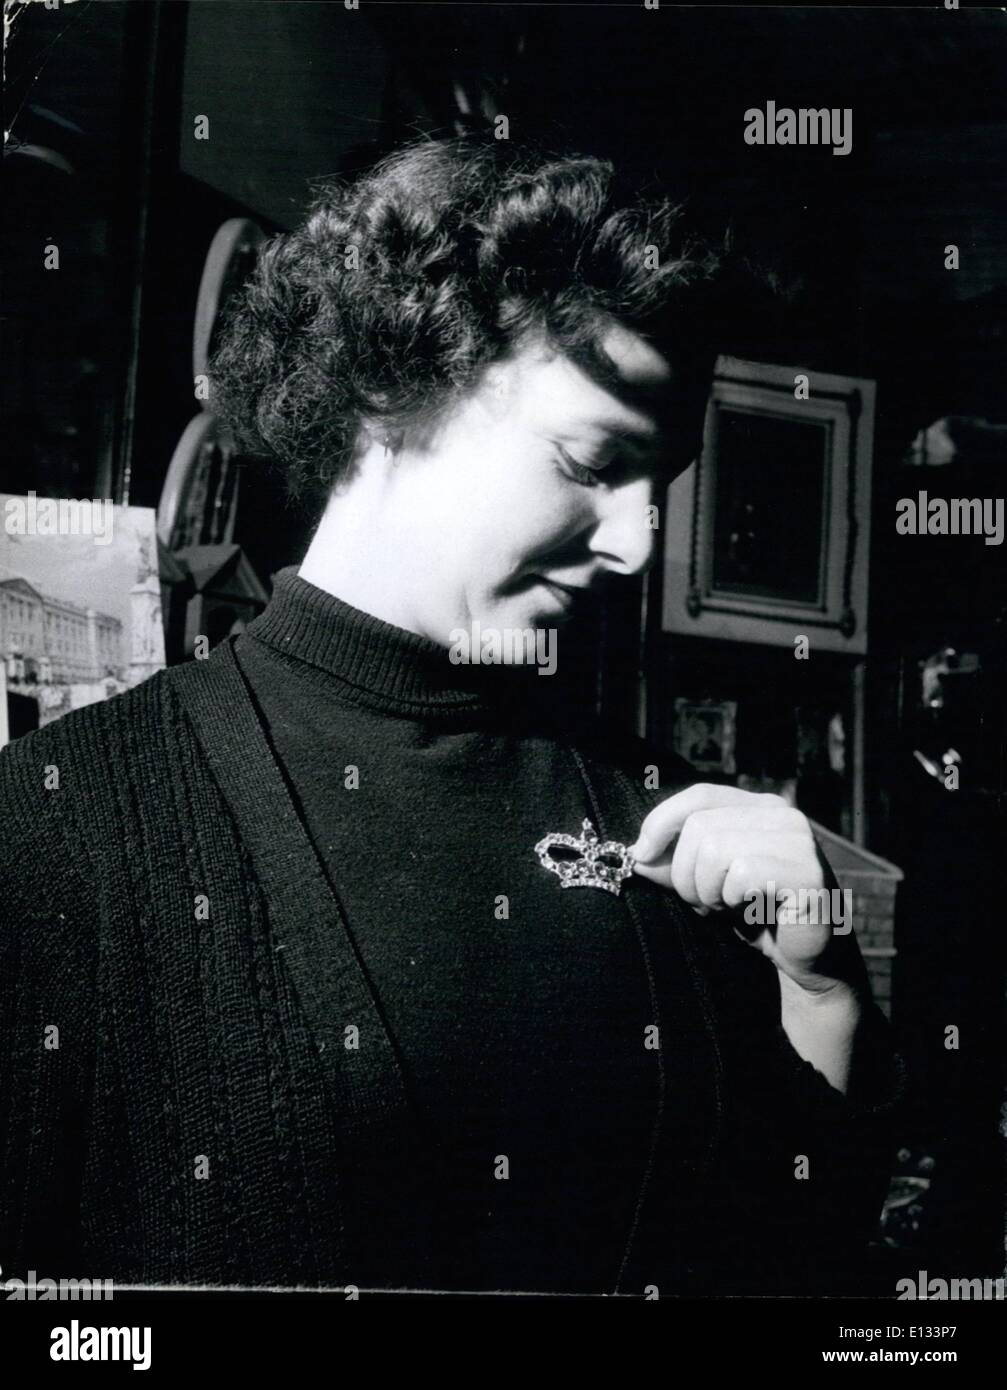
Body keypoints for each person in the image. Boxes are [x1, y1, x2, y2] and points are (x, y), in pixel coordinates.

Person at [0, 135, 902, 1297]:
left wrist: (822, 999)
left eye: (659, 486)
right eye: (589, 462)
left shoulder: (660, 816)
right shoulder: (62, 826)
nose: (636, 544)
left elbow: (795, 1264)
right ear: (391, 388)